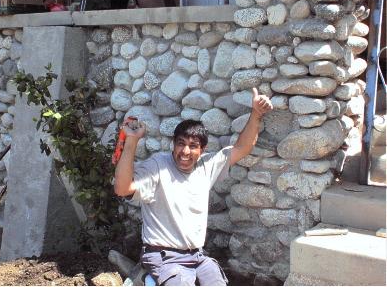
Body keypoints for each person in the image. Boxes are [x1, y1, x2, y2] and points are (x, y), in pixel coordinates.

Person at [114, 88, 273, 286]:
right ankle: (148, 278)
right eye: (180, 143)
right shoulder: (158, 166)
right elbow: (122, 189)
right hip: (163, 256)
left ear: (202, 150)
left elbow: (242, 148)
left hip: (197, 257)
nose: (185, 151)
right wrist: (132, 140)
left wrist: (256, 113)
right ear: (173, 144)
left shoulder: (207, 165)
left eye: (193, 145)